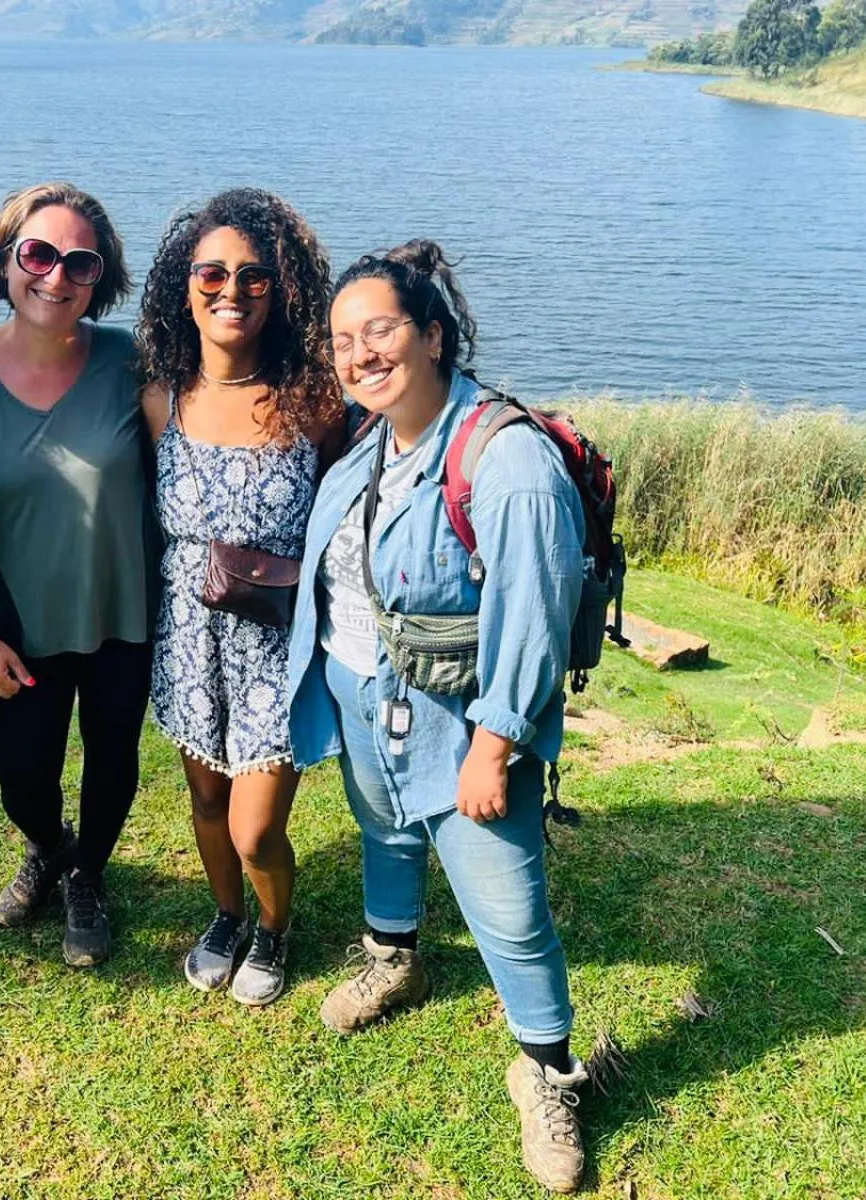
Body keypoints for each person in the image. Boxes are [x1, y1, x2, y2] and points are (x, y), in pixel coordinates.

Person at [286, 241, 591, 1192]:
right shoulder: (378, 435)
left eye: (379, 330)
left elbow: (533, 618)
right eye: (342, 339)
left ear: (433, 334)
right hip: (366, 697)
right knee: (386, 836)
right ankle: (395, 959)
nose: (358, 353)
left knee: (507, 903)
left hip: (461, 724)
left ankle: (548, 1073)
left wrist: (494, 748)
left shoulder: (507, 461)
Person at [134, 189, 342, 1005]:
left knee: (257, 828)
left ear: (281, 290)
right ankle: (226, 916)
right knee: (206, 798)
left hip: (278, 645)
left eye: (255, 277)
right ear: (183, 286)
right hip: (188, 637)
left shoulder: (316, 403)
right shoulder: (160, 399)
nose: (233, 290)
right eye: (212, 272)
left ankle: (274, 928)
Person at [0, 182, 152, 968]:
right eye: (38, 254)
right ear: (5, 261)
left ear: (102, 279)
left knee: (113, 762)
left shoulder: (130, 360)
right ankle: (47, 845)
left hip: (123, 614)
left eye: (80, 262)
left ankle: (88, 876)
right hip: (22, 626)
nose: (56, 277)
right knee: (21, 780)